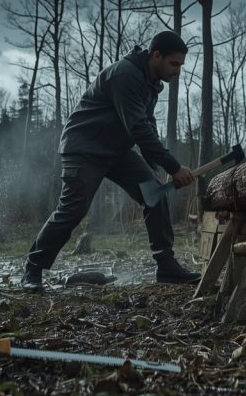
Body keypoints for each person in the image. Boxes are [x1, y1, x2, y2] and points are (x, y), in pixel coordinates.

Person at [20, 31, 202, 292]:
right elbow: (138, 127)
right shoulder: (125, 75)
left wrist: (157, 168)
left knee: (154, 191)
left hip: (116, 150)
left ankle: (167, 266)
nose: (177, 71)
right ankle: (33, 269)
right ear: (156, 55)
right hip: (84, 147)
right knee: (73, 209)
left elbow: (147, 126)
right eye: (174, 64)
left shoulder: (151, 84)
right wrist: (173, 167)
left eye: (181, 66)